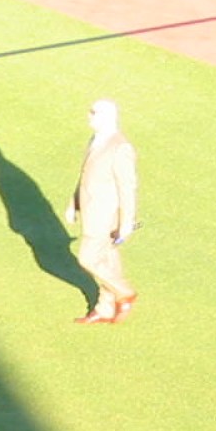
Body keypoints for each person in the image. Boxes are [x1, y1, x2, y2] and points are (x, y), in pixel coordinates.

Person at [63, 99, 138, 324]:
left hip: (105, 214)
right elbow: (86, 174)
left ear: (107, 117)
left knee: (87, 258)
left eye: (93, 112)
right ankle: (105, 308)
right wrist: (74, 203)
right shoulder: (96, 140)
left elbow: (127, 187)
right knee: (108, 257)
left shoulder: (120, 147)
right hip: (91, 209)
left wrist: (127, 222)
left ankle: (124, 292)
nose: (89, 115)